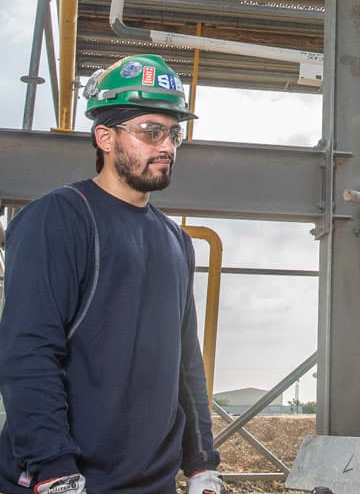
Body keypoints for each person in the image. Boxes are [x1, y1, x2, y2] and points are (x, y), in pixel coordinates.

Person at [0, 54, 223, 494]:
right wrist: (53, 470)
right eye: (149, 131)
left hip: (152, 484)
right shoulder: (59, 219)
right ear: (104, 137)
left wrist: (201, 463)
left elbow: (185, 362)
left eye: (173, 133)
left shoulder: (175, 241)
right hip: (71, 480)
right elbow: (28, 351)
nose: (166, 146)